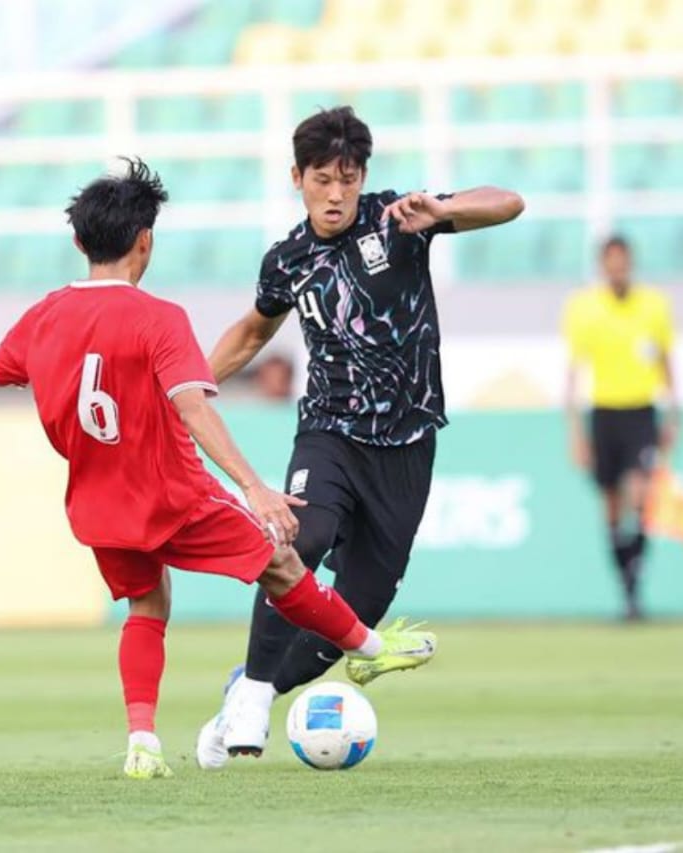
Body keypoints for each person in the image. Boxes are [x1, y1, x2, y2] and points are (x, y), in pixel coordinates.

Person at [0, 159, 437, 780]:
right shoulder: (158, 318)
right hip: (173, 494)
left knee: (147, 609)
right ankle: (368, 647)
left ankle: (143, 743)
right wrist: (254, 487)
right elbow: (192, 407)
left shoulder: (42, 317)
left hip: (98, 506)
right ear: (146, 241)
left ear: (79, 243)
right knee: (284, 565)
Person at [195, 107, 525, 768]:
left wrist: (440, 207)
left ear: (363, 176)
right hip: (329, 432)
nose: (337, 193)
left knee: (354, 615)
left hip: (407, 446)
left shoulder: (398, 220)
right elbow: (253, 333)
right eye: (323, 179)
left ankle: (239, 692)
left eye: (348, 178)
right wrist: (189, 385)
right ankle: (256, 696)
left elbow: (509, 202)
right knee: (301, 536)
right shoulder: (286, 259)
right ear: (298, 178)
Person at [562, 235, 680, 621]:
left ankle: (634, 577)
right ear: (602, 266)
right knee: (612, 505)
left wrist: (674, 413)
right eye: (610, 262)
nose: (617, 268)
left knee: (641, 493)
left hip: (641, 411)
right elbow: (574, 372)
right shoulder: (584, 308)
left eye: (622, 261)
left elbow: (666, 362)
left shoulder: (654, 305)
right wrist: (576, 432)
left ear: (630, 263)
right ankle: (628, 586)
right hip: (604, 412)